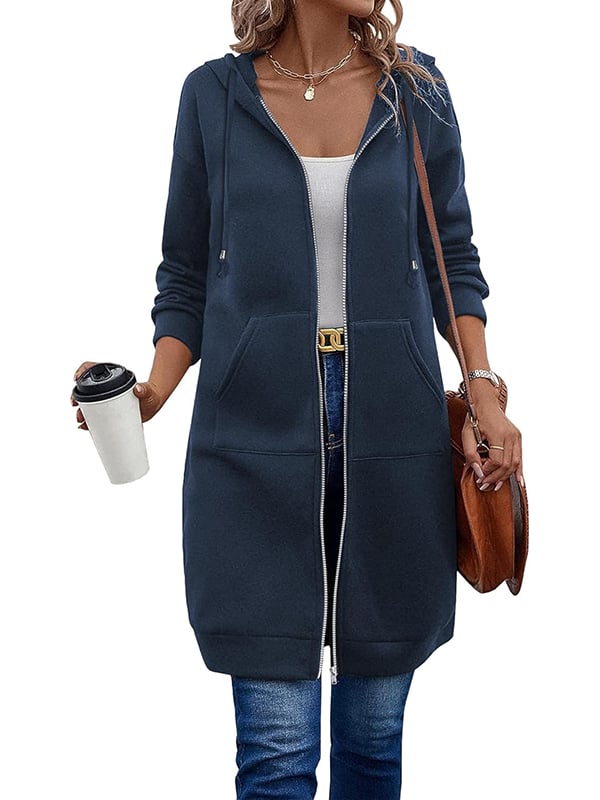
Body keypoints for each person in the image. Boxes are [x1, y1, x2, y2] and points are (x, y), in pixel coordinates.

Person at [72, 1, 524, 796]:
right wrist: (151, 392)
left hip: (397, 428)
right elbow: (185, 274)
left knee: (373, 745)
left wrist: (483, 388)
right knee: (276, 754)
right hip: (253, 433)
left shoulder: (415, 91)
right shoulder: (213, 97)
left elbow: (451, 253)